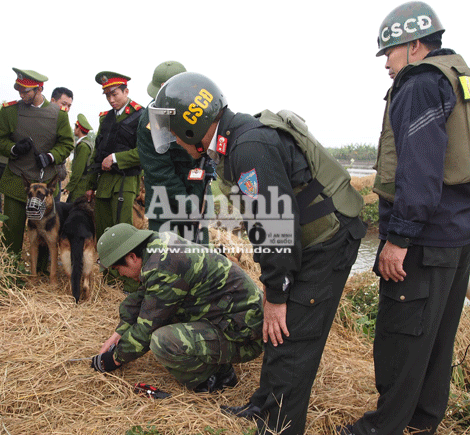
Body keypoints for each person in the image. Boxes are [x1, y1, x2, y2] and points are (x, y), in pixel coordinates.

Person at [148, 72, 366, 434]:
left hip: (325, 242)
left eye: (174, 131)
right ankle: (263, 407)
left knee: (291, 336)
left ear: (191, 125)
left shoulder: (248, 147)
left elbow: (274, 224)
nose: (174, 140)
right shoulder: (232, 141)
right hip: (299, 240)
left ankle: (280, 425)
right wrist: (274, 286)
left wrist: (277, 293)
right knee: (276, 331)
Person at [337, 3, 470, 435]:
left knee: (402, 338)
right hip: (457, 235)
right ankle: (421, 424)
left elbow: (419, 169)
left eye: (389, 52)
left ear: (413, 45)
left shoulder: (421, 83)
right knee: (437, 339)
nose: (386, 64)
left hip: (425, 240)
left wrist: (399, 238)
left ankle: (383, 427)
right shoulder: (459, 78)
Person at [90, 223, 263, 393]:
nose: (120, 274)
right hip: (234, 317)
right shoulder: (157, 248)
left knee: (163, 341)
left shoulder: (163, 266)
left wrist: (115, 358)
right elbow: (143, 300)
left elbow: (147, 328)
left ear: (132, 257)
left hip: (245, 335)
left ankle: (218, 377)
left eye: (117, 268)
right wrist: (119, 333)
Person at [0, 68, 73, 259]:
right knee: (12, 230)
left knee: (45, 231)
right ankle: (9, 266)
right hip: (16, 180)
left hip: (45, 184)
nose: (21, 95)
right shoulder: (10, 111)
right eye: (19, 90)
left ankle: (42, 271)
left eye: (26, 91)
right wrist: (13, 148)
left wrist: (50, 156)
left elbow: (67, 144)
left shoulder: (59, 114)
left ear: (39, 89)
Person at [137, 60, 214, 244]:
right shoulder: (148, 123)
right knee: (163, 253)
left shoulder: (199, 111)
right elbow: (159, 173)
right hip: (163, 199)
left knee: (199, 254)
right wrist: (189, 206)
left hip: (196, 191)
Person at [84, 71, 143, 293]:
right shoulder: (105, 118)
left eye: (115, 94)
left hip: (125, 182)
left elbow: (145, 152)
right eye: (107, 95)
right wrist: (90, 184)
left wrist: (117, 158)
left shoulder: (140, 115)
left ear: (126, 91)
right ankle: (109, 279)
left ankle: (130, 284)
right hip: (104, 183)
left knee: (125, 234)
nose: (111, 99)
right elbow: (98, 152)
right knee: (104, 233)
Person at [64, 113, 95, 202]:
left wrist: (69, 186)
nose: (74, 129)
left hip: (80, 186)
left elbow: (78, 170)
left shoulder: (83, 146)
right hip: (81, 184)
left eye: (75, 127)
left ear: (79, 129)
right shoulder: (87, 143)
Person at [50, 87, 74, 197]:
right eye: (64, 104)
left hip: (56, 174)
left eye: (69, 106)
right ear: (53, 101)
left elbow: (67, 146)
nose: (67, 109)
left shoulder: (64, 124)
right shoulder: (42, 119)